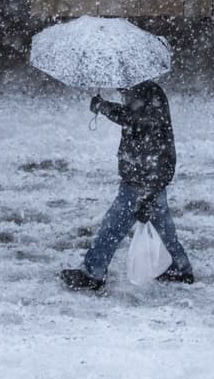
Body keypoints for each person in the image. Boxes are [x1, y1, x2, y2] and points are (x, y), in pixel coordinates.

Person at [61, 79, 194, 291]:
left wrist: (103, 106)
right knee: (162, 226)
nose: (118, 87)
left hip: (142, 177)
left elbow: (133, 120)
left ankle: (93, 273)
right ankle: (179, 267)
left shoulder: (144, 93)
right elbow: (135, 121)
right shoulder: (144, 91)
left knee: (112, 226)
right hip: (150, 174)